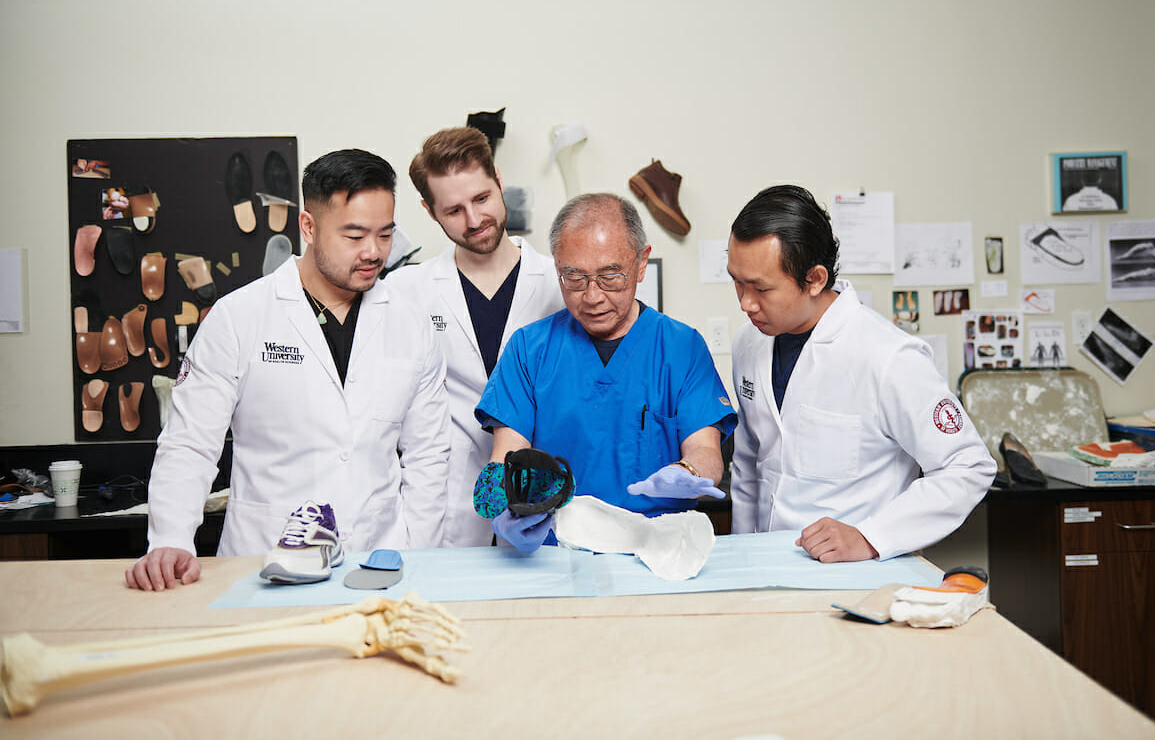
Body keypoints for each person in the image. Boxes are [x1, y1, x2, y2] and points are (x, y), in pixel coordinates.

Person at [125, 149, 451, 591]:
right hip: (262, 564)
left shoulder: (412, 324)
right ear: (309, 228)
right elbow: (190, 444)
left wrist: (417, 554)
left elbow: (428, 455)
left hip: (380, 562)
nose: (374, 252)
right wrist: (170, 538)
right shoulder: (238, 318)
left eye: (385, 234)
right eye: (354, 236)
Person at [726, 185, 995, 563]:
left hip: (855, 578)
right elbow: (750, 462)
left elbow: (968, 466)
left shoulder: (887, 357)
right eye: (737, 281)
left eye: (761, 288)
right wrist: (741, 557)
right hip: (764, 568)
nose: (745, 303)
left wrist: (870, 537)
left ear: (815, 279)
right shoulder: (748, 344)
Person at [476, 193, 737, 553]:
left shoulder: (681, 347)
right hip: (555, 551)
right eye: (575, 278)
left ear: (641, 262)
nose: (593, 296)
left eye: (610, 275)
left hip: (656, 552)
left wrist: (689, 472)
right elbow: (507, 456)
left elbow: (706, 450)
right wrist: (509, 513)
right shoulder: (528, 350)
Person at [397, 127, 562, 547]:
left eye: (482, 199)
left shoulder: (558, 285)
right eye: (453, 210)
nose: (473, 221)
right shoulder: (409, 291)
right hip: (449, 502)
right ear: (429, 211)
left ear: (499, 181)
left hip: (542, 494)